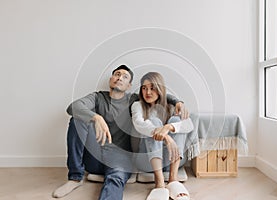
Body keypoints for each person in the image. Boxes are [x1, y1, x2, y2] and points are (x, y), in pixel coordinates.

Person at [52, 65, 188, 200]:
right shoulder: (97, 97)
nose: (120, 78)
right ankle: (75, 178)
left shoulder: (134, 100)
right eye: (117, 74)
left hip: (120, 157)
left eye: (125, 76)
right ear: (111, 79)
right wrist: (96, 117)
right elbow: (73, 107)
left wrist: (178, 102)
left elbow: (158, 94)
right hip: (95, 154)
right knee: (77, 120)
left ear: (129, 85)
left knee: (115, 179)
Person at [131, 72, 193, 200]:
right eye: (144, 88)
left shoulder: (172, 106)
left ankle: (173, 180)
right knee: (154, 122)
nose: (148, 92)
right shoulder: (137, 106)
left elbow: (189, 125)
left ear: (160, 89)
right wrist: (166, 136)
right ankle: (159, 184)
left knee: (175, 120)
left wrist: (169, 128)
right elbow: (139, 125)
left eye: (152, 88)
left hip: (171, 158)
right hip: (146, 161)